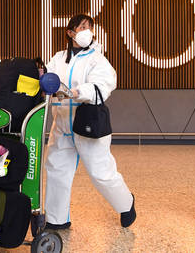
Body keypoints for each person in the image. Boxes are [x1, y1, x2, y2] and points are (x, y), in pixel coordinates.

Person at [44, 14, 136, 229]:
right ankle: (56, 220)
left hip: (88, 123)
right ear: (70, 32)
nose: (87, 31)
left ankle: (126, 203)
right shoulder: (59, 57)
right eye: (82, 27)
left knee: (101, 172)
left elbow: (104, 83)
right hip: (61, 124)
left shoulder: (97, 58)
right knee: (57, 170)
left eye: (90, 27)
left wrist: (79, 91)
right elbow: (49, 77)